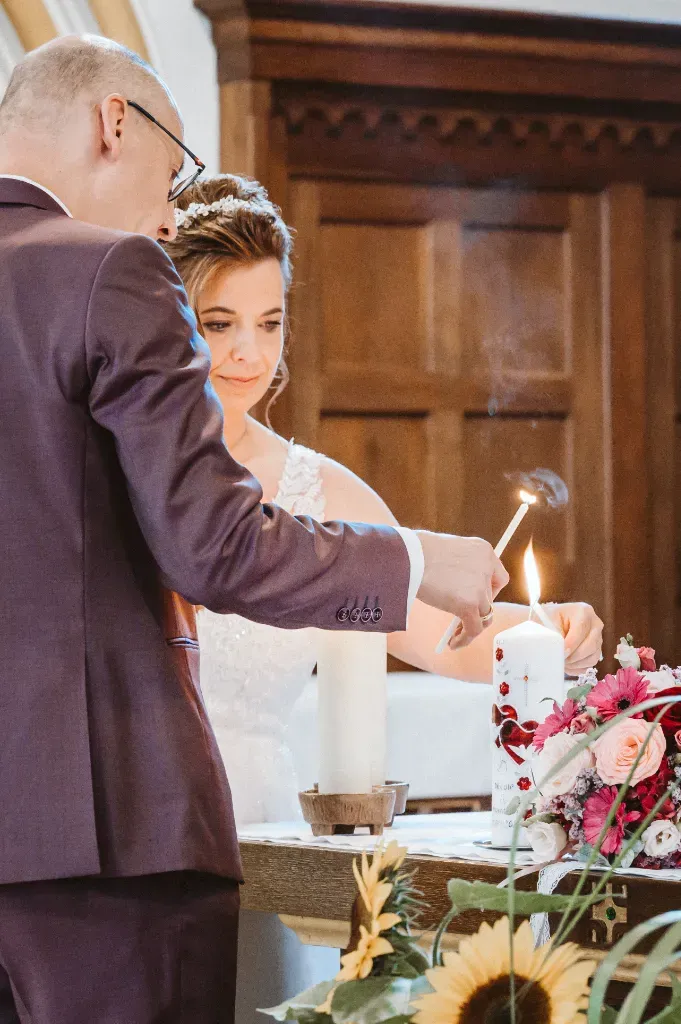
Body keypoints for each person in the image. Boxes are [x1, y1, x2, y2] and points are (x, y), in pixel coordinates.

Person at [0, 32, 510, 1024]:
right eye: (173, 171)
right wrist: (419, 559)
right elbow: (216, 545)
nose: (168, 213)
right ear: (114, 122)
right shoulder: (110, 269)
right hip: (106, 835)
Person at [163, 173, 604, 1023]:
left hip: (264, 826)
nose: (249, 353)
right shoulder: (114, 469)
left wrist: (544, 628)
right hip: (138, 821)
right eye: (219, 324)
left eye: (269, 323)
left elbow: (440, 629)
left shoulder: (320, 490)